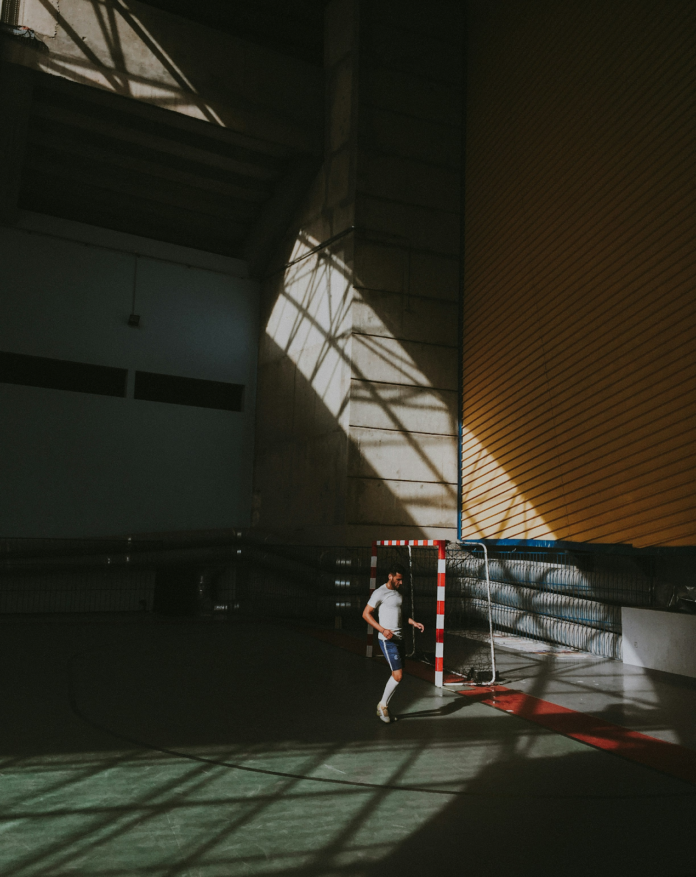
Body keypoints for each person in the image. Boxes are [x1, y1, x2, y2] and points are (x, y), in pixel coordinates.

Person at [362, 563, 424, 723]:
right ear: (390, 576)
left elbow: (400, 615)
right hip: (387, 640)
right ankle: (382, 706)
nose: (401, 582)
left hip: (399, 639)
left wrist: (413, 622)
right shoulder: (380, 593)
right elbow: (366, 614)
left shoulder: (398, 594)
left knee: (398, 676)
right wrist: (382, 630)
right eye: (398, 579)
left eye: (402, 580)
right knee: (398, 675)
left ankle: (385, 706)